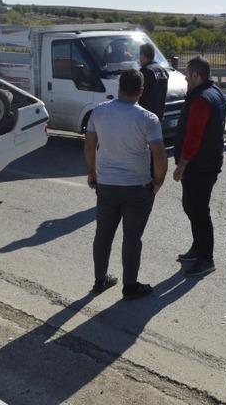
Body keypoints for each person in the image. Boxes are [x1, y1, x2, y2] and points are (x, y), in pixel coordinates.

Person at [84, 69, 168, 300]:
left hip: (106, 185)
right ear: (141, 91)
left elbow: (90, 145)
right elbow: (160, 156)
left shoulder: (98, 112)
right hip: (138, 188)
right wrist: (157, 182)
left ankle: (100, 280)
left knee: (103, 234)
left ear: (119, 87)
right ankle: (130, 287)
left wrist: (91, 172)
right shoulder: (148, 119)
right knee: (132, 238)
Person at [173, 56, 226, 276]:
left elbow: (193, 137)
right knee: (191, 206)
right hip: (207, 162)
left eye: (187, 74)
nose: (185, 78)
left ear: (196, 75)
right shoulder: (214, 92)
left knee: (199, 210)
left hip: (199, 166)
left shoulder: (202, 100)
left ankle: (206, 258)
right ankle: (197, 248)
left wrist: (181, 165)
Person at [138, 43, 169, 123]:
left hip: (146, 117)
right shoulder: (163, 71)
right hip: (159, 117)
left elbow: (139, 95)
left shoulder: (145, 71)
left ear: (142, 55)